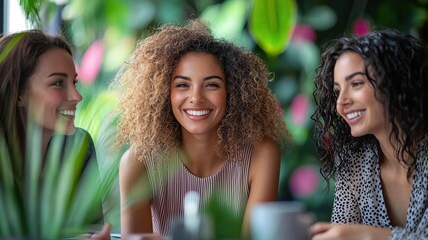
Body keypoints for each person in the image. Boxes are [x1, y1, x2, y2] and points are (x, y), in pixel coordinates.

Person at [116, 18, 290, 239]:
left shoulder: (261, 155)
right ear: (163, 94)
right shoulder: (138, 162)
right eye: (182, 85)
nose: (196, 98)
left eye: (211, 85)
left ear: (232, 92)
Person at [310, 29, 428, 239]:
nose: (341, 102)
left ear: (398, 87)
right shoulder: (355, 159)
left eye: (356, 84)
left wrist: (370, 236)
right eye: (338, 91)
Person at [0, 30, 110, 239]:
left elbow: (89, 231)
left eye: (74, 83)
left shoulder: (78, 147)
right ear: (18, 94)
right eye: (58, 83)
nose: (77, 96)